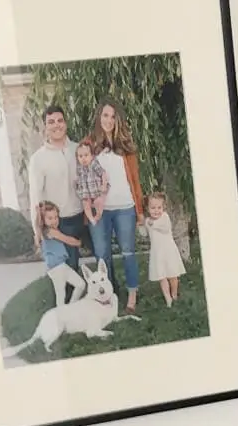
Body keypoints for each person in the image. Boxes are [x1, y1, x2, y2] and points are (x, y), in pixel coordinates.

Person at [89, 100, 145, 314]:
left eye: (113, 116)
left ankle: (132, 296)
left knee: (128, 252)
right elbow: (83, 177)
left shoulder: (126, 147)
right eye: (105, 115)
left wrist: (140, 211)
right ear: (99, 117)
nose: (109, 120)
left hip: (125, 208)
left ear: (118, 120)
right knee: (102, 255)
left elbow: (135, 180)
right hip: (100, 211)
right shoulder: (90, 144)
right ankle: (108, 295)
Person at [28, 104, 84, 273]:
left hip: (82, 216)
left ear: (65, 123)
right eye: (51, 122)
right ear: (45, 127)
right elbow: (35, 196)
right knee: (67, 269)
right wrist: (37, 229)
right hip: (58, 222)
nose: (56, 125)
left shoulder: (78, 149)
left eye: (60, 120)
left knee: (97, 258)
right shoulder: (38, 158)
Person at [34, 201, 86, 309]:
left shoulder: (51, 230)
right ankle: (61, 316)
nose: (54, 220)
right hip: (56, 268)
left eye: (56, 217)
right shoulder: (49, 232)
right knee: (61, 296)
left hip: (61, 265)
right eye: (50, 218)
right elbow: (67, 240)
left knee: (81, 284)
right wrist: (81, 243)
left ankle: (70, 308)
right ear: (43, 220)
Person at [145, 191, 186, 306]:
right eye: (153, 208)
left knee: (173, 275)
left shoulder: (165, 217)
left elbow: (165, 228)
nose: (156, 211)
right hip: (157, 253)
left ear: (163, 208)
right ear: (148, 208)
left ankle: (174, 294)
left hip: (169, 252)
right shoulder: (148, 221)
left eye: (159, 207)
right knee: (161, 276)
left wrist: (153, 224)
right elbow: (146, 231)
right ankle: (168, 298)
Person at [74, 138, 108, 231]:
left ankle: (98, 214)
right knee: (86, 204)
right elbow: (78, 178)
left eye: (86, 155)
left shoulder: (94, 164)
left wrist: (104, 185)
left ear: (92, 156)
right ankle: (91, 218)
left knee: (98, 202)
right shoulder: (79, 167)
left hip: (95, 190)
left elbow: (103, 173)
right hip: (86, 192)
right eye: (80, 156)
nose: (83, 158)